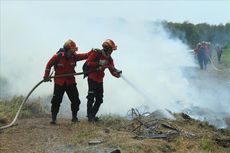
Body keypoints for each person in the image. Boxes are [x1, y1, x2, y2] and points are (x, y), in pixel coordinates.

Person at [43, 39, 89, 124]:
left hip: (70, 82)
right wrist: (46, 76)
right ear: (67, 49)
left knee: (76, 100)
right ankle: (53, 119)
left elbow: (85, 55)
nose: (73, 53)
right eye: (71, 51)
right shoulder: (57, 57)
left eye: (73, 51)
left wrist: (92, 52)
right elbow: (49, 65)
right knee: (56, 101)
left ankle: (74, 118)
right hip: (59, 82)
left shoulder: (74, 57)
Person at [84, 39, 122, 122]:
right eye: (111, 49)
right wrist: (99, 64)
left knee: (99, 99)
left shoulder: (109, 59)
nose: (112, 51)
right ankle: (90, 117)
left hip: (100, 80)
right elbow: (88, 63)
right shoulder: (96, 53)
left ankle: (92, 115)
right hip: (92, 78)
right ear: (106, 48)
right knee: (91, 98)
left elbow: (112, 70)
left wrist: (117, 75)